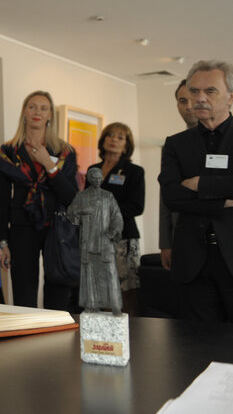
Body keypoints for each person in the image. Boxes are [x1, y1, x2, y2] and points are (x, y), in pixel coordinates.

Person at [159, 60, 233, 322]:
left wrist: (200, 184)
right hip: (192, 262)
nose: (199, 99)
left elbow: (186, 195)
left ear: (230, 97)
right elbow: (171, 196)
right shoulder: (176, 144)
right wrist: (222, 201)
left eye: (210, 91)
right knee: (197, 346)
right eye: (194, 91)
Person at [0, 91, 79, 310]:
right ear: (24, 111)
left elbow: (71, 197)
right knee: (24, 295)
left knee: (58, 294)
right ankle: (26, 341)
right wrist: (2, 241)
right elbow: (2, 200)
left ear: (50, 114)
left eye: (43, 108)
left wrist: (48, 165)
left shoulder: (64, 152)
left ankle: (57, 342)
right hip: (22, 228)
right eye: (32, 107)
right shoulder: (9, 151)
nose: (37, 112)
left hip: (57, 229)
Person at [87, 122, 144, 315]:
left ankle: (133, 335)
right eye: (110, 135)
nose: (114, 140)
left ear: (126, 146)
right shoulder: (93, 169)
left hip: (122, 239)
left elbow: (136, 206)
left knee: (125, 291)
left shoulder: (134, 171)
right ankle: (108, 338)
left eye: (120, 137)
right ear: (103, 141)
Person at [69, 169, 124, 315]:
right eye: (95, 177)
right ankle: (91, 304)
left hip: (104, 241)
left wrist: (115, 230)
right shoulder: (82, 196)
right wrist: (81, 211)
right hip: (88, 242)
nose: (98, 180)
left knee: (110, 274)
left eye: (100, 177)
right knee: (89, 274)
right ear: (89, 178)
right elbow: (71, 212)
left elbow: (117, 217)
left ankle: (115, 305)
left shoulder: (108, 196)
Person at [158, 79, 198, 270]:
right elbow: (165, 197)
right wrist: (165, 243)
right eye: (183, 101)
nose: (188, 107)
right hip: (181, 236)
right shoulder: (172, 145)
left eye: (192, 99)